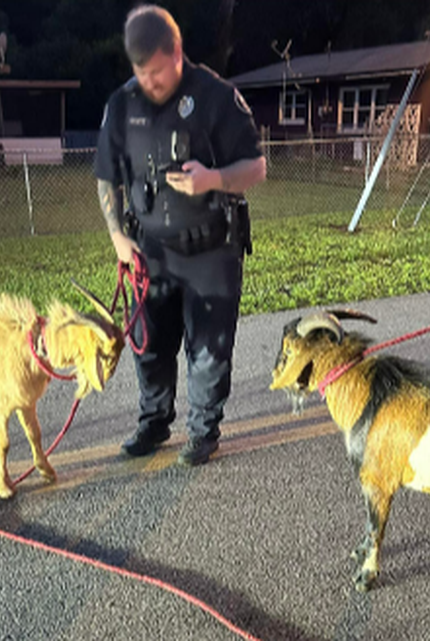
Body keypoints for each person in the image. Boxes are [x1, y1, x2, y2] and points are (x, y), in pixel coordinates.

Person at [94, 4, 266, 466]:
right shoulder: (122, 105)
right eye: (140, 71)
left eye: (156, 71)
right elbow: (107, 177)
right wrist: (116, 236)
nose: (149, 81)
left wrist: (212, 179)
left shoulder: (214, 96)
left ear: (177, 53)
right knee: (149, 348)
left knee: (209, 353)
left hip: (212, 250)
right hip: (150, 251)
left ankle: (203, 431)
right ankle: (153, 423)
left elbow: (256, 167)